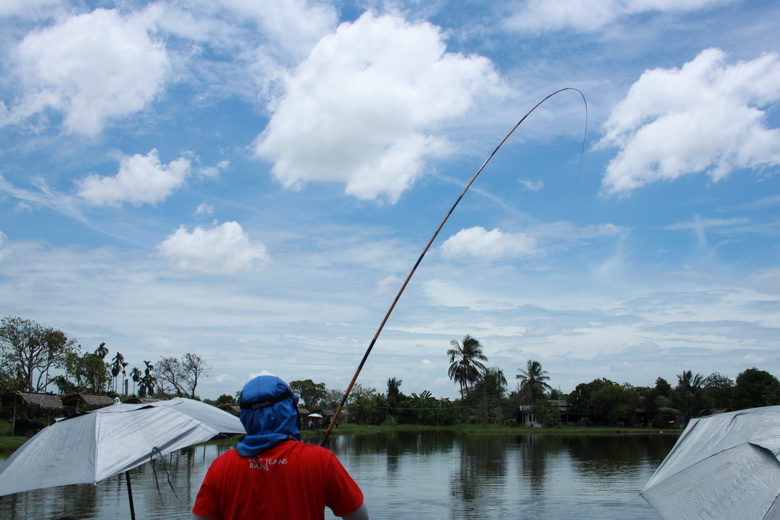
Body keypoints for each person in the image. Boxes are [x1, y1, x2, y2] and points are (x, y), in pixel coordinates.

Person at [192, 375, 368, 520]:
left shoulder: (221, 466)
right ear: (289, 411)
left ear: (245, 416)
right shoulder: (321, 460)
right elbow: (359, 516)